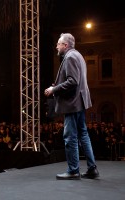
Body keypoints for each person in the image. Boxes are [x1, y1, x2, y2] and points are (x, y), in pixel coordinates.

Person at [44, 33, 99, 180]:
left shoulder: (69, 57)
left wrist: (54, 89)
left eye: (58, 44)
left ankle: (73, 170)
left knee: (70, 137)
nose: (56, 46)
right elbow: (74, 80)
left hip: (72, 103)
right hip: (79, 101)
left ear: (65, 45)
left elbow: (72, 81)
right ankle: (92, 169)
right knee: (83, 134)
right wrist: (58, 85)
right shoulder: (78, 55)